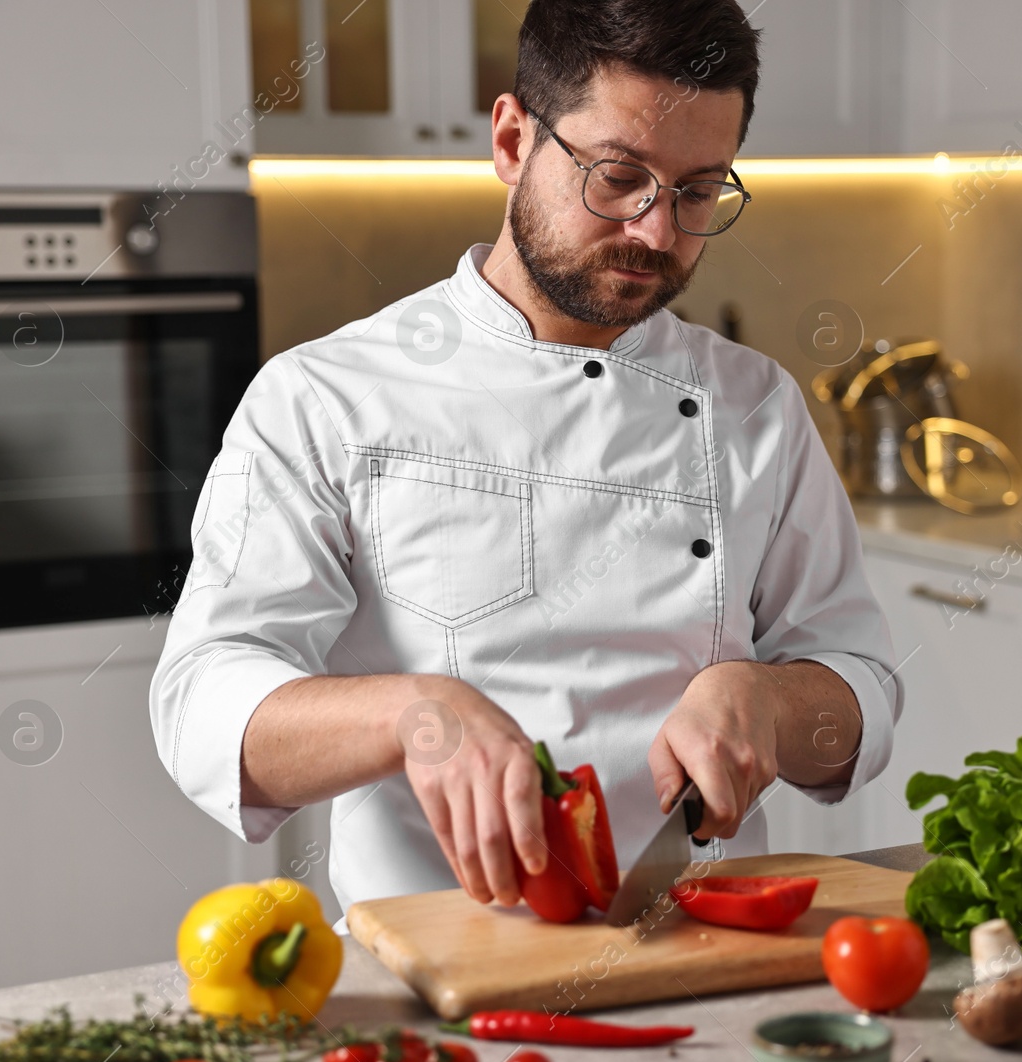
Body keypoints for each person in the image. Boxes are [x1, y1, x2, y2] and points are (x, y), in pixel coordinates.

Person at [150, 0, 901, 916]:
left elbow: (861, 691)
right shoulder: (325, 397)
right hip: (438, 975)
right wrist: (410, 716)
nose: (658, 234)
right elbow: (202, 707)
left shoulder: (757, 407)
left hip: (706, 953)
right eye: (619, 177)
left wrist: (770, 704)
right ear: (512, 141)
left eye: (698, 192)